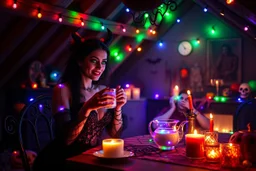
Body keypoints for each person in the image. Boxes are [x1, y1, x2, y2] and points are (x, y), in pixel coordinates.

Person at [32, 29, 127, 171]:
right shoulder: (63, 89)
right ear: (79, 61)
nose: (100, 67)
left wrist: (119, 107)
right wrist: (87, 107)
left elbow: (115, 134)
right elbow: (67, 140)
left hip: (91, 158)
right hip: (62, 161)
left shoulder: (103, 89)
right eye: (94, 61)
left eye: (104, 62)